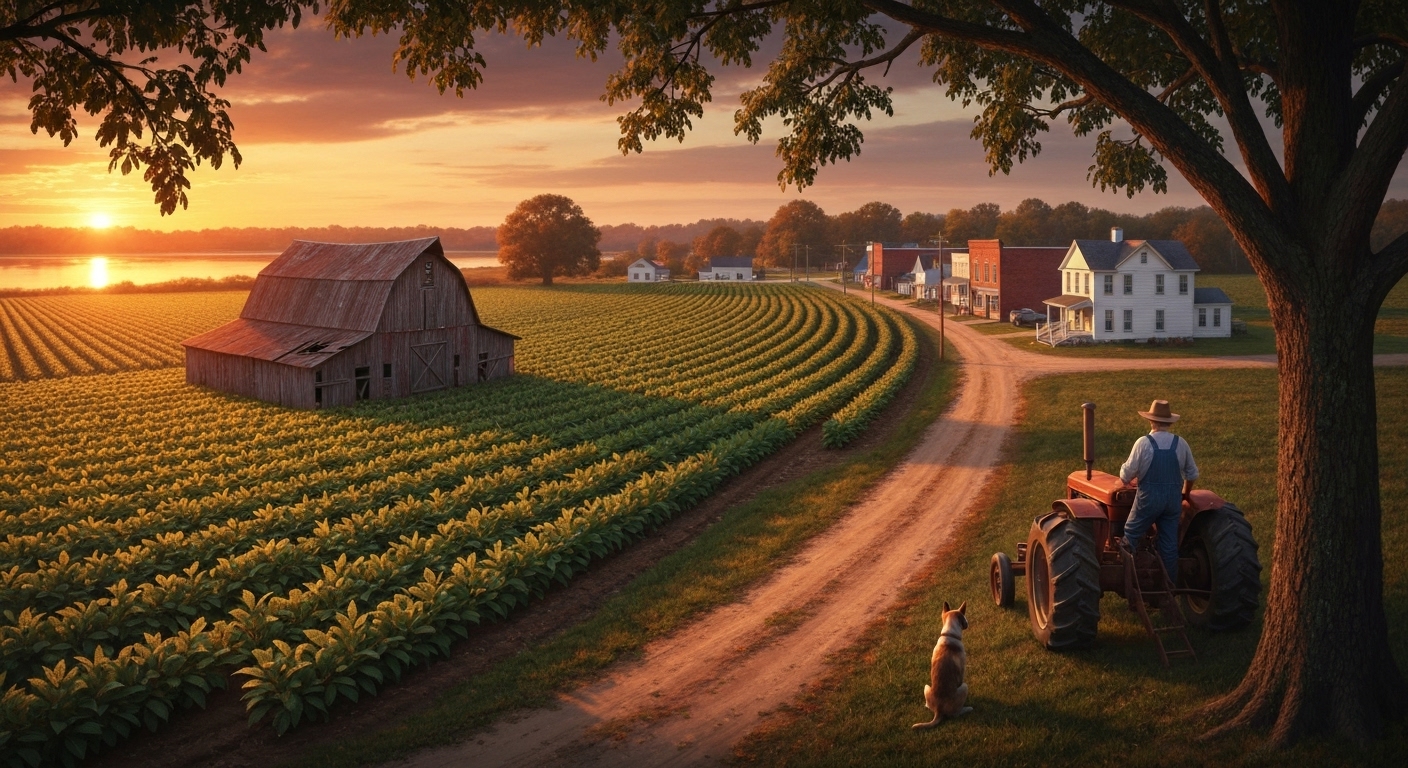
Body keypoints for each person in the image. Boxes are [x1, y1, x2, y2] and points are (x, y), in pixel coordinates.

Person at [1118, 399, 1199, 584]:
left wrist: (1124, 474)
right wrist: (1185, 493)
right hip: (1172, 501)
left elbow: (1125, 475)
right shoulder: (1181, 443)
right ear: (1169, 422)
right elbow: (1192, 473)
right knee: (1169, 545)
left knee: (1130, 534)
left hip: (1148, 500)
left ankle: (1130, 582)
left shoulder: (1143, 444)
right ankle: (1168, 586)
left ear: (1151, 421)